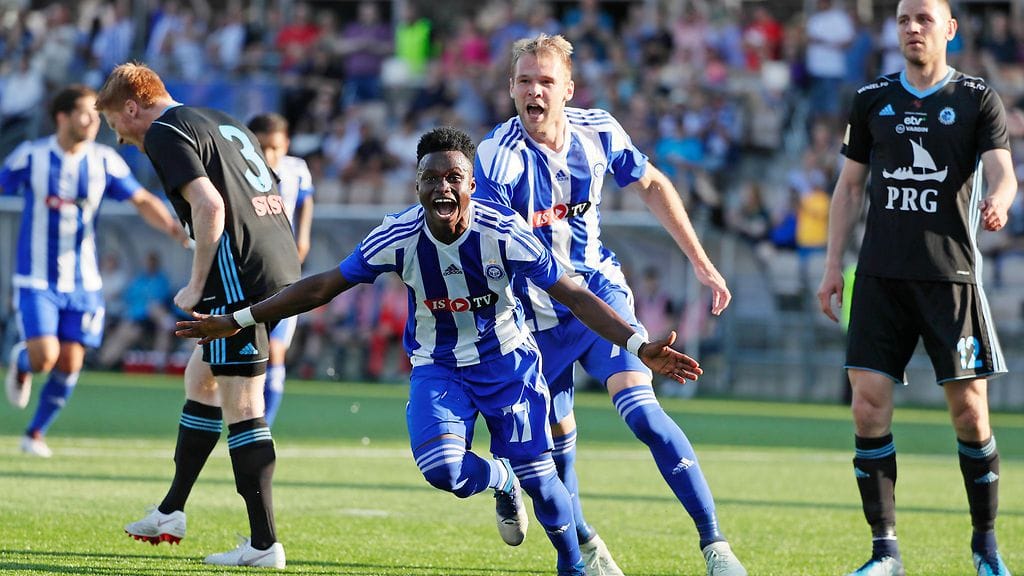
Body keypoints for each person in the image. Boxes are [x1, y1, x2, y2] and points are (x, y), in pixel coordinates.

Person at [174, 127, 704, 576]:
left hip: (510, 367)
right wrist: (238, 319)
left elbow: (573, 293)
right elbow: (323, 287)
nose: (443, 187)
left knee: (544, 485)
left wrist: (637, 343)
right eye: (432, 178)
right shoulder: (398, 235)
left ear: (473, 184)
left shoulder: (506, 232)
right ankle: (499, 479)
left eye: (454, 178)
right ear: (418, 184)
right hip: (440, 367)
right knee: (442, 470)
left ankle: (573, 563)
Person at [474, 34, 745, 576]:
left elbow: (652, 184)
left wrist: (700, 261)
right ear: (510, 89)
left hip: (601, 299)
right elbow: (486, 251)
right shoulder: (495, 159)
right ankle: (585, 544)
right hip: (533, 322)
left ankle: (716, 547)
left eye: (546, 81)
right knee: (551, 458)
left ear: (568, 89)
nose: (535, 91)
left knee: (644, 414)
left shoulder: (598, 131)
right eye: (525, 81)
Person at [815, 1, 1018, 575]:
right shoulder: (871, 98)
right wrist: (834, 265)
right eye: (903, 19)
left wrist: (998, 200)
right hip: (878, 277)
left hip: (949, 276)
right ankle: (885, 554)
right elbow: (849, 188)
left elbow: (1002, 168)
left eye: (924, 19)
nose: (911, 28)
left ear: (949, 30)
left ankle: (985, 545)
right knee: (867, 406)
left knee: (970, 415)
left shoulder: (976, 98)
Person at [95, 63, 300, 568]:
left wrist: (196, 282)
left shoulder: (165, 131)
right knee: (201, 380)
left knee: (244, 404)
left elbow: (210, 208)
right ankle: (171, 510)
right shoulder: (218, 119)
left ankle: (263, 543)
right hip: (274, 259)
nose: (119, 139)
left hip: (237, 274)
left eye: (114, 125)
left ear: (131, 107)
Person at [2, 84, 185, 458]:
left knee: (71, 362)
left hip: (84, 282)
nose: (92, 121)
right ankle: (23, 362)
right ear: (62, 117)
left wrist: (171, 226)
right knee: (45, 358)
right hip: (36, 278)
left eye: (95, 114)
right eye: (85, 113)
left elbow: (141, 199)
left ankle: (35, 433)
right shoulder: (31, 156)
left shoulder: (104, 161)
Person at [246, 112, 314, 427]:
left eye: (274, 147)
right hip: (247, 273)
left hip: (284, 274)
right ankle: (242, 417)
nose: (268, 155)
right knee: (246, 352)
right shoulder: (240, 172)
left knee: (275, 349)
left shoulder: (297, 170)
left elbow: (306, 205)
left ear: (286, 144)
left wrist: (302, 240)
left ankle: (263, 425)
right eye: (261, 147)